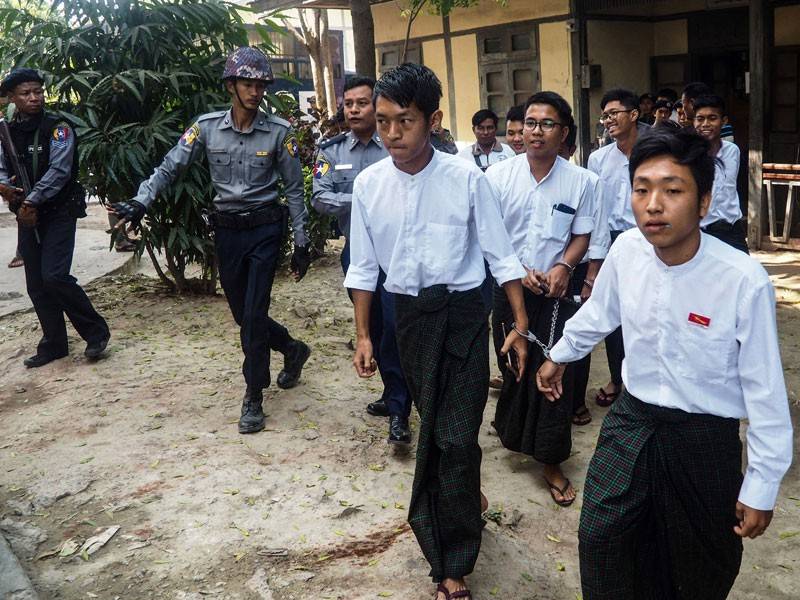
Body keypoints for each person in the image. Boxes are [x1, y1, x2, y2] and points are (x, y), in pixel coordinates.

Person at [537, 128, 793, 600]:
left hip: (704, 440)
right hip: (631, 423)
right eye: (642, 189)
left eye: (672, 190)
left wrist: (761, 483)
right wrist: (560, 354)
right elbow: (600, 312)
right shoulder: (628, 250)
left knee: (698, 566)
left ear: (704, 202)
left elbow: (764, 390)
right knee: (602, 540)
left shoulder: (741, 280)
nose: (653, 204)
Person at [345, 63, 529, 600]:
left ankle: (452, 560)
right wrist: (364, 335)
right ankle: (466, 491)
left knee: (449, 436)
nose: (392, 133)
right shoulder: (368, 186)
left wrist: (518, 323)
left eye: (404, 121)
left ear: (433, 120)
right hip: (410, 321)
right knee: (446, 432)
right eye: (382, 122)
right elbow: (363, 269)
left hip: (466, 317)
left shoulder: (467, 178)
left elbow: (500, 253)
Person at [110, 47, 312, 435]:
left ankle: (254, 393)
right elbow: (170, 167)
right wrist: (140, 200)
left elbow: (294, 189)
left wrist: (301, 241)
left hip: (266, 231)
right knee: (243, 316)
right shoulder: (205, 128)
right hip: (227, 232)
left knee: (253, 315)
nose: (255, 92)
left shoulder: (278, 132)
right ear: (231, 85)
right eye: (247, 84)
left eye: (260, 85)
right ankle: (291, 348)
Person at [487, 92, 596, 507]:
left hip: (556, 292)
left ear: (563, 132)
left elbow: (582, 234)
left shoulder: (582, 181)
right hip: (510, 286)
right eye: (530, 122)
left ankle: (551, 459)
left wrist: (565, 267)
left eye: (546, 124)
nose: (535, 131)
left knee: (555, 375)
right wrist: (518, 268)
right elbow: (493, 240)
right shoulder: (497, 179)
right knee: (514, 365)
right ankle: (512, 431)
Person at [311, 75, 412, 445]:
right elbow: (319, 197)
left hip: (397, 251)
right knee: (373, 326)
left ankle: (401, 409)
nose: (353, 109)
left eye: (362, 103)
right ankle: (393, 394)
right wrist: (367, 202)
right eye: (349, 103)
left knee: (395, 326)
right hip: (356, 252)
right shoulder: (332, 151)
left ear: (378, 105)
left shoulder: (397, 146)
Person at [0, 68, 109, 368]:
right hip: (26, 214)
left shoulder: (57, 127)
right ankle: (55, 343)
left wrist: (31, 200)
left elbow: (60, 172)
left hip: (58, 211)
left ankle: (96, 333)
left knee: (55, 276)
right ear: (12, 98)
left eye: (38, 91)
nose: (34, 98)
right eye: (26, 93)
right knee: (36, 283)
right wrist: (7, 190)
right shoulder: (7, 131)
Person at [587, 88, 640, 407]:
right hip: (612, 242)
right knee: (614, 314)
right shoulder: (598, 159)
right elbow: (595, 212)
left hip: (649, 241)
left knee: (647, 311)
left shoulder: (654, 151)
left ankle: (643, 381)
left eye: (614, 114)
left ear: (634, 115)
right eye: (604, 116)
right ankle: (617, 378)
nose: (608, 121)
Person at [557, 117, 609, 427]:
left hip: (575, 272)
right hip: (541, 274)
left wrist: (591, 277)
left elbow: (598, 234)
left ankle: (575, 402)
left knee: (576, 337)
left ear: (569, 147)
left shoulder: (587, 181)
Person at [693, 94, 748, 253]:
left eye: (712, 118)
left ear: (723, 121)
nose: (705, 124)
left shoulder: (732, 151)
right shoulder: (687, 153)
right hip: (700, 230)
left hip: (730, 228)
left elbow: (726, 188)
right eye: (700, 119)